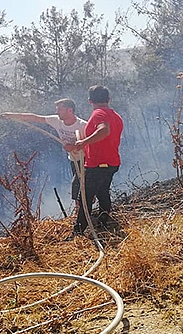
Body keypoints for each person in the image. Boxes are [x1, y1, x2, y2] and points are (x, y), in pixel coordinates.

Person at [0, 98, 87, 209]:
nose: (57, 112)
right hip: (73, 159)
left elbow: (95, 143)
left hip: (86, 160)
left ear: (70, 110)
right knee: (78, 186)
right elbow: (34, 117)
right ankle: (80, 212)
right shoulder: (56, 121)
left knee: (79, 185)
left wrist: (74, 146)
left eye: (60, 109)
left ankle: (83, 212)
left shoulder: (83, 126)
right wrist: (11, 115)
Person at [64, 85, 123, 238]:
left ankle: (78, 232)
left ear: (90, 101)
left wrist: (84, 142)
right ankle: (103, 222)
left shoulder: (98, 114)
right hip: (112, 162)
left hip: (98, 164)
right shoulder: (116, 115)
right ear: (109, 99)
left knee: (84, 197)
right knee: (103, 192)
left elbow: (104, 130)